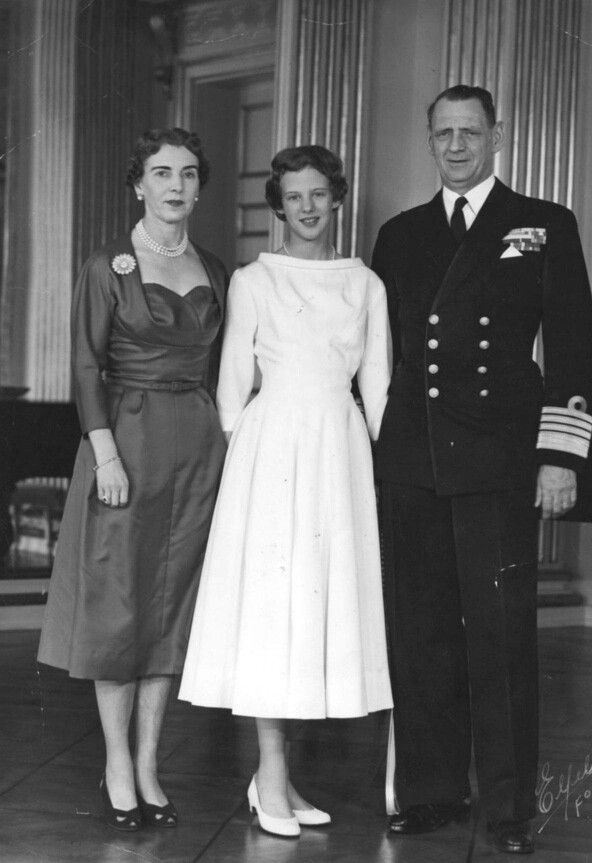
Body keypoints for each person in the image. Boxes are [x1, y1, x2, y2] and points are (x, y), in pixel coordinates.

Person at [371, 85, 592, 854]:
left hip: (500, 458)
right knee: (421, 632)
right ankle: (431, 790)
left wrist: (559, 455)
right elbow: (381, 354)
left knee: (500, 637)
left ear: (497, 136)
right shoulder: (400, 234)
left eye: (471, 131)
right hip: (413, 459)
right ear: (429, 140)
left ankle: (508, 806)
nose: (457, 146)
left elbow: (572, 343)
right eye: (444, 133)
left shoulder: (543, 223)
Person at [179, 144, 393, 837]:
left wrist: (374, 468)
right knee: (274, 612)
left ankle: (279, 777)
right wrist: (253, 461)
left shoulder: (365, 284)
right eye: (294, 196)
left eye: (318, 194)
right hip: (271, 453)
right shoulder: (254, 280)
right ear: (278, 205)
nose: (307, 207)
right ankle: (269, 773)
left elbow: (378, 386)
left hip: (339, 452)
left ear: (337, 200)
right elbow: (231, 388)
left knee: (318, 612)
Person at [37, 128, 228, 832]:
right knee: (121, 607)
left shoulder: (216, 267)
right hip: (126, 444)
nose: (176, 185)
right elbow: (86, 366)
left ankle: (149, 764)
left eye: (188, 173)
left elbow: (226, 368)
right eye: (162, 172)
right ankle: (117, 763)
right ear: (138, 184)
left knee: (171, 607)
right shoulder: (108, 267)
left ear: (199, 187)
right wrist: (106, 455)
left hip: (198, 449)